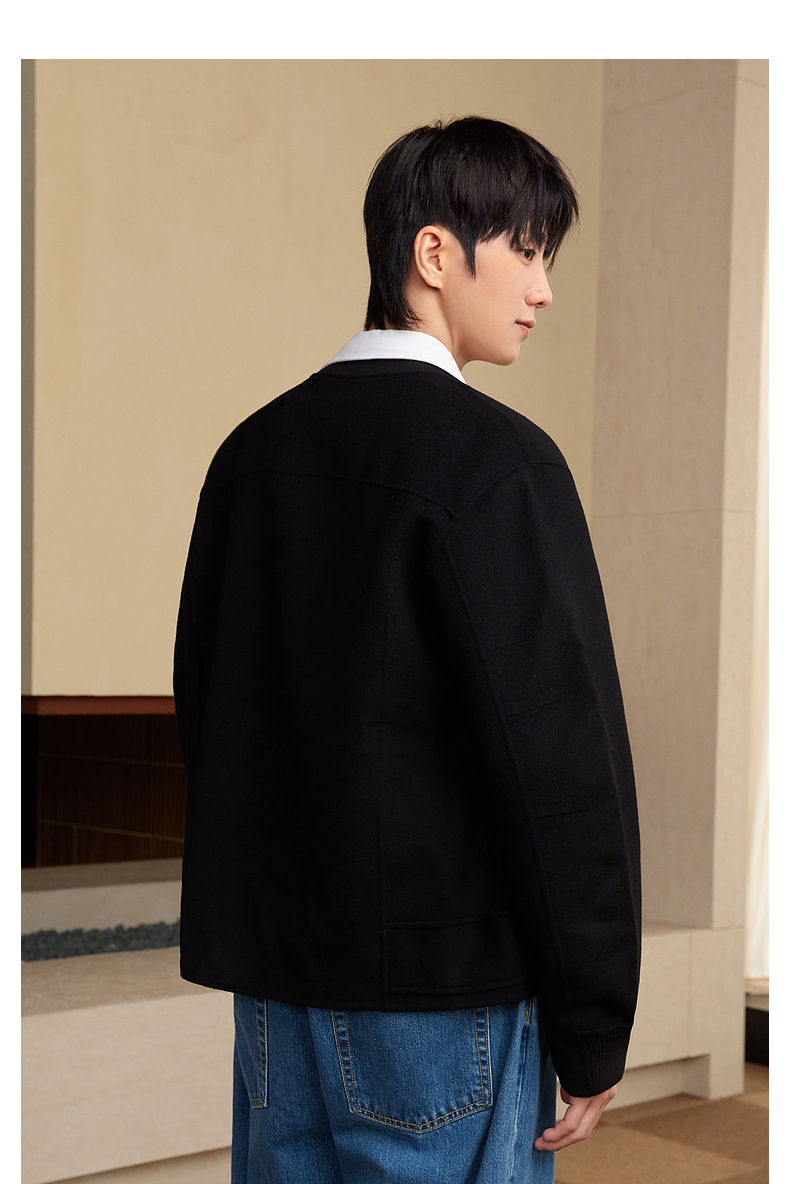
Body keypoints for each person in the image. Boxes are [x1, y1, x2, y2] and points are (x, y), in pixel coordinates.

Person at [173, 115, 642, 1184]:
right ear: (434, 252)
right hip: (442, 996)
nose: (543, 290)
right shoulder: (498, 463)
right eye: (526, 250)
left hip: (278, 988)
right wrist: (594, 1019)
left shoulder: (251, 454)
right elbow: (560, 765)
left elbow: (209, 707)